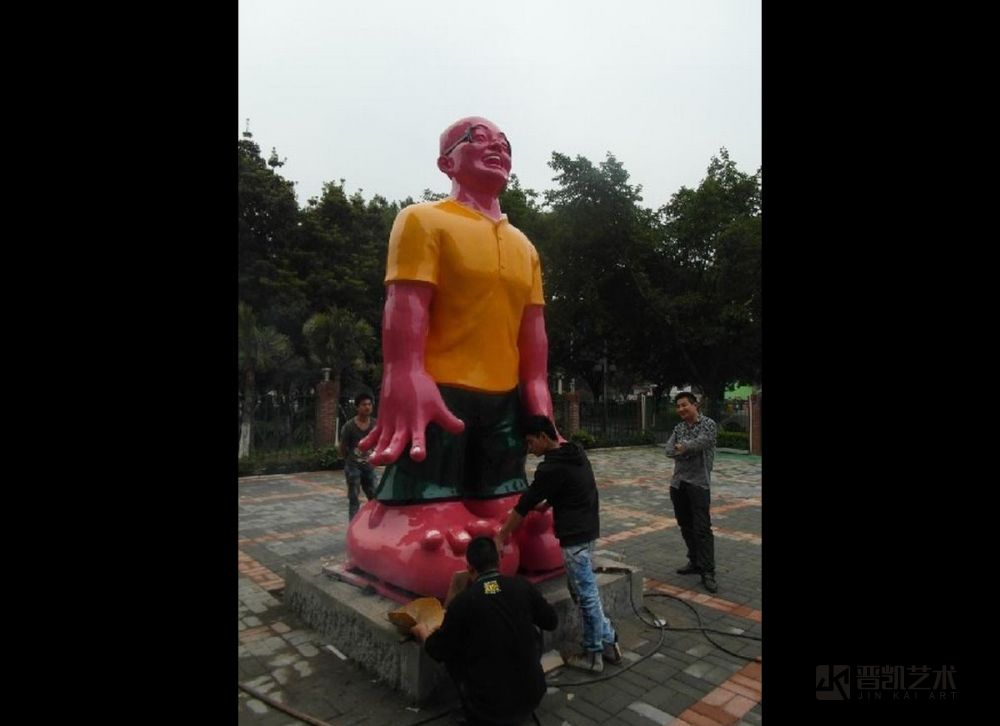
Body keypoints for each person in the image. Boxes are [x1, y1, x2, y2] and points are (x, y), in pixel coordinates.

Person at [347, 116, 562, 598]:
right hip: (438, 397)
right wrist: (404, 373)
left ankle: (496, 514)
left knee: (512, 503)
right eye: (477, 138)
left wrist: (537, 396)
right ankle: (399, 522)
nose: (497, 146)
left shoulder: (525, 247)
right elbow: (406, 303)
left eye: (504, 142)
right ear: (446, 162)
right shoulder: (423, 220)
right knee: (433, 503)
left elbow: (533, 332)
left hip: (504, 401)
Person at [495, 415, 622, 673]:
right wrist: (548, 504)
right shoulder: (574, 452)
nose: (529, 449)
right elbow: (569, 484)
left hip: (574, 537)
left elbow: (524, 504)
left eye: (531, 442)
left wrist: (501, 535)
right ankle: (609, 642)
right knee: (580, 589)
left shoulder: (550, 468)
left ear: (543, 437)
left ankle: (593, 654)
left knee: (585, 595)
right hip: (588, 530)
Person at [411, 536, 558, 726]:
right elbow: (551, 621)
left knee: (454, 652)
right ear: (499, 562)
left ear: (470, 569)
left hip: (488, 708)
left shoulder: (464, 602)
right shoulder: (522, 586)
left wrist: (423, 633)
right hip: (533, 695)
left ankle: (471, 706)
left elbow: (438, 649)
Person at [664, 391, 719, 593]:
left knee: (702, 529)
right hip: (678, 484)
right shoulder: (678, 428)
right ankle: (694, 561)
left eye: (684, 405)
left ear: (695, 405)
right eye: (678, 406)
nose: (680, 409)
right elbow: (669, 450)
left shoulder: (708, 424)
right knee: (685, 526)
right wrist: (686, 449)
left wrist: (684, 448)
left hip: (699, 484)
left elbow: (702, 443)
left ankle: (708, 571)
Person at [339, 393, 376, 520]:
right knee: (354, 498)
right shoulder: (349, 426)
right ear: (357, 407)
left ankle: (375, 523)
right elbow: (343, 447)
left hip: (369, 466)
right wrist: (349, 462)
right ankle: (353, 524)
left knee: (374, 496)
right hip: (353, 467)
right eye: (364, 404)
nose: (367, 407)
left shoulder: (375, 425)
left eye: (369, 404)